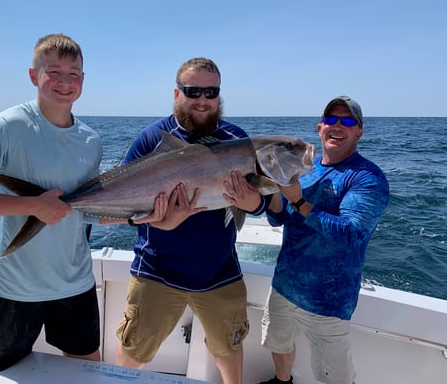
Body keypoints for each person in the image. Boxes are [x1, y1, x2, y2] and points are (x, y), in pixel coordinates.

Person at [0, 33, 167, 371]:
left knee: (87, 369)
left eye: (74, 73)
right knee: (4, 376)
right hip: (12, 287)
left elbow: (81, 212)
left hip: (76, 284)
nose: (65, 82)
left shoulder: (90, 140)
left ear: (83, 80)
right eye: (54, 71)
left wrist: (135, 216)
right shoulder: (7, 127)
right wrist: (32, 206)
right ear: (33, 75)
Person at [114, 57, 270, 384]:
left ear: (219, 95)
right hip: (156, 270)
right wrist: (159, 221)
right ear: (177, 93)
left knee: (229, 351)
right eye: (193, 90)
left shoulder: (237, 141)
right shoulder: (151, 138)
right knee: (132, 352)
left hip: (219, 272)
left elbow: (260, 206)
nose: (202, 100)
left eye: (210, 92)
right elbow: (123, 200)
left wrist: (251, 201)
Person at [258, 96, 389, 384]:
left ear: (359, 132)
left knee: (335, 377)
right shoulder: (303, 168)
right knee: (278, 344)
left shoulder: (367, 178)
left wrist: (298, 200)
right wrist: (271, 194)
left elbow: (350, 235)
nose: (337, 126)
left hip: (328, 301)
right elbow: (279, 219)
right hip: (284, 285)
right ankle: (283, 381)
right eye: (331, 120)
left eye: (348, 121)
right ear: (319, 128)